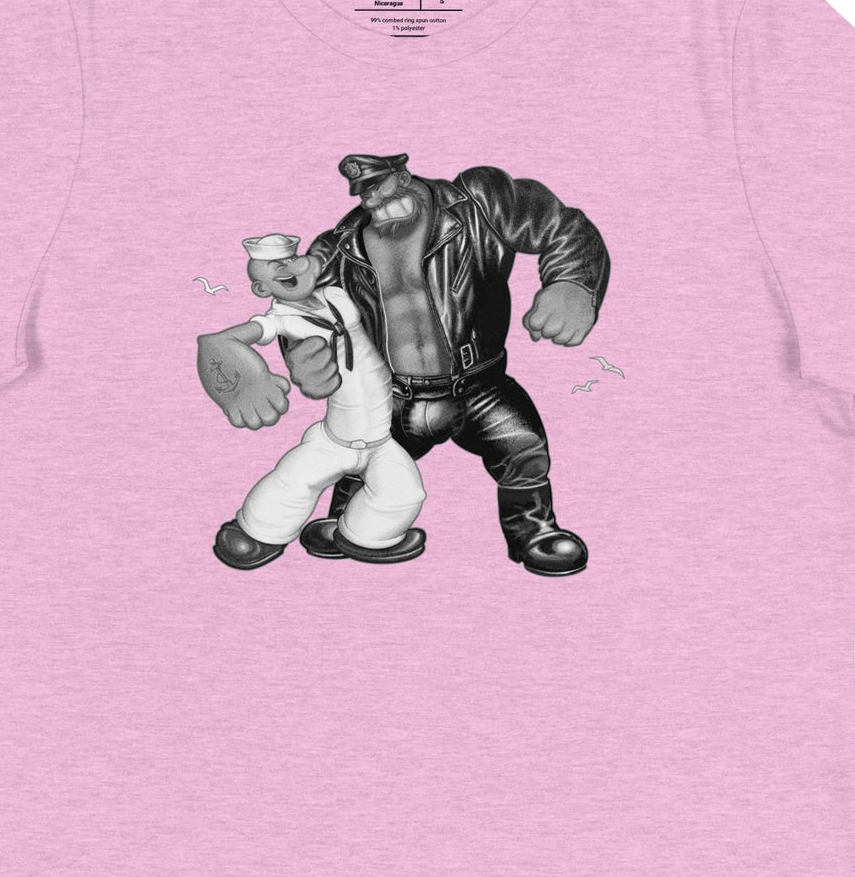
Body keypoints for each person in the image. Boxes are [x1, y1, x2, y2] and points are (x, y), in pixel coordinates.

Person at [287, 153, 611, 576]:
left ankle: (535, 531)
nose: (372, 202)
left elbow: (561, 225)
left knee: (522, 447)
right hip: (390, 395)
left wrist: (573, 282)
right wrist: (304, 354)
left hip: (481, 385)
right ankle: (348, 521)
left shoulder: (480, 201)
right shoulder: (337, 247)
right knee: (361, 455)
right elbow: (305, 311)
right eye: (364, 194)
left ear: (402, 174)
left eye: (379, 187)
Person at [198, 232, 426, 569]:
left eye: (291, 259)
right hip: (337, 439)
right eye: (275, 266)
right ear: (261, 288)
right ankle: (256, 533)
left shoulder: (336, 295)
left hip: (380, 439)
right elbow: (234, 337)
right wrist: (222, 351)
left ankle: (358, 535)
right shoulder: (281, 319)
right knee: (293, 482)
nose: (288, 267)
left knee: (405, 492)